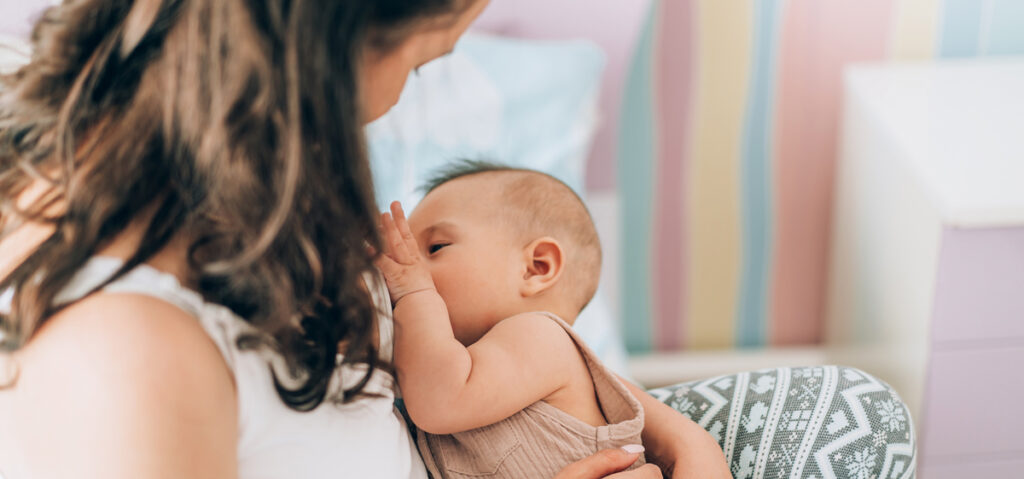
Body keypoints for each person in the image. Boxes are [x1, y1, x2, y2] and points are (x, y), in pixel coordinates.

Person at [0, 1, 729, 477]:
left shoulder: (263, 189)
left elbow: (542, 365)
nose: (391, 106)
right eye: (415, 62)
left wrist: (680, 441)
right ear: (315, 42)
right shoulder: (126, 356)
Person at [376, 162, 675, 477]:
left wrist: (414, 293)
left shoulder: (541, 336)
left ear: (537, 268)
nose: (411, 267)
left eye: (435, 247)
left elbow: (439, 401)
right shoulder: (451, 362)